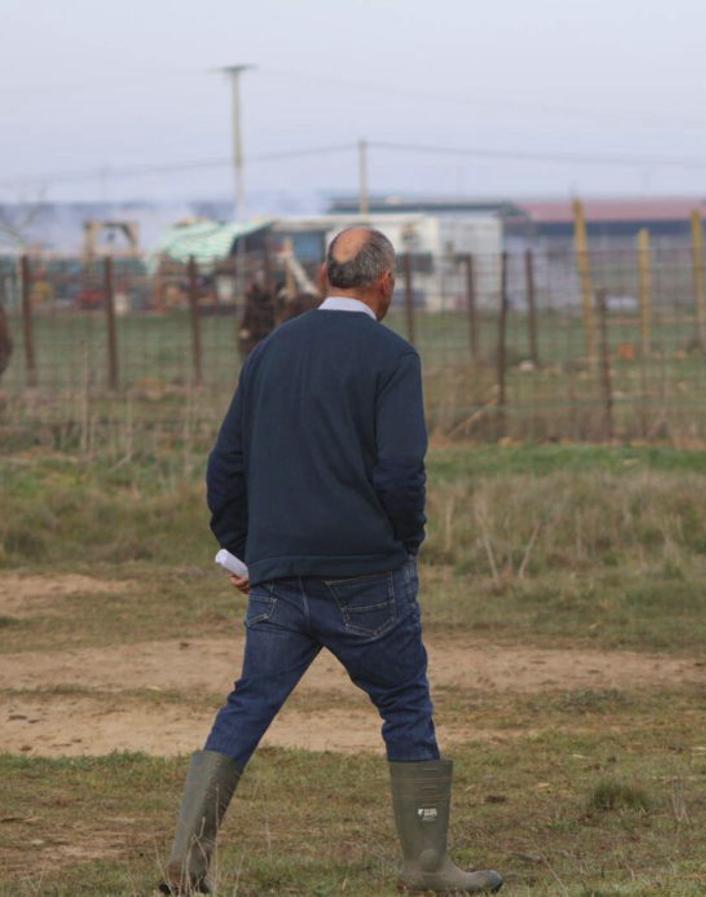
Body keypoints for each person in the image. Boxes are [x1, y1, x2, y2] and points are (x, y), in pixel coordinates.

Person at [159, 227, 502, 895]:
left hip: (279, 578)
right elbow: (403, 472)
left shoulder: (268, 352)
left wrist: (245, 550)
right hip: (367, 575)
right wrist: (406, 539)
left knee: (247, 705)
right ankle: (427, 865)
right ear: (386, 284)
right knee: (405, 703)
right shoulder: (393, 357)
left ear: (323, 276)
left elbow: (224, 467)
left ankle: (186, 860)